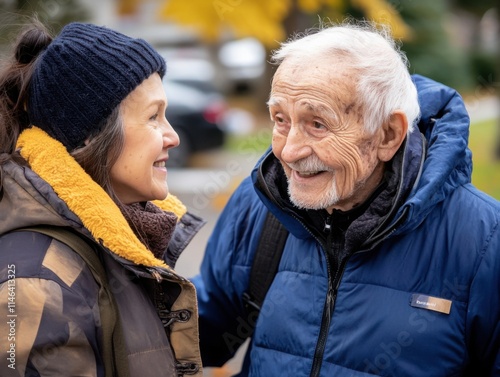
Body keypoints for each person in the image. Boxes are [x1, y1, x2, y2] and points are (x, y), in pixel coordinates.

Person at [193, 21, 500, 376]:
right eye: (280, 119)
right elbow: (200, 336)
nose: (289, 151)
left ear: (388, 134)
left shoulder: (484, 242)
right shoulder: (261, 206)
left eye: (317, 124)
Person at [0, 20, 204, 376]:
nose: (173, 136)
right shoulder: (38, 283)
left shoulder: (125, 242)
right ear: (89, 137)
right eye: (153, 117)